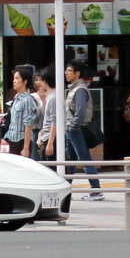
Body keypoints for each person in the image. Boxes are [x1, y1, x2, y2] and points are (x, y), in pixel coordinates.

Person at [64, 62, 103, 200]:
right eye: (66, 70)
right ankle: (66, 188)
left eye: (69, 70)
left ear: (77, 74)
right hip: (73, 129)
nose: (66, 73)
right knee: (71, 160)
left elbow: (80, 111)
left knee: (85, 158)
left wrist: (73, 126)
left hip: (77, 130)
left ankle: (96, 189)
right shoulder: (75, 89)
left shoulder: (80, 90)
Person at [0, 66, 39, 157]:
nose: (14, 81)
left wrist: (25, 148)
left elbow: (28, 126)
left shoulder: (27, 100)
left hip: (21, 142)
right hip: (12, 140)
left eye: (17, 78)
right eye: (14, 78)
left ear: (25, 81)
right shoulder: (16, 98)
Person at [36, 66, 61, 163]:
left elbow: (54, 122)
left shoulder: (54, 98)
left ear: (45, 81)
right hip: (48, 136)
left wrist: (50, 143)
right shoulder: (51, 96)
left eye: (41, 80)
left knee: (52, 168)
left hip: (51, 138)